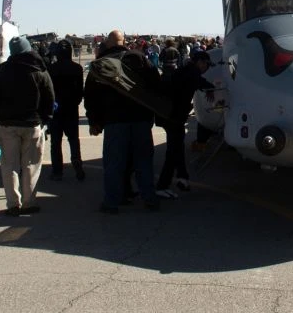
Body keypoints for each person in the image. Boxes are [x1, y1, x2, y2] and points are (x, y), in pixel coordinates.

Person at [84, 29, 170, 214]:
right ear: (123, 42)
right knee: (143, 161)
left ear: (108, 43)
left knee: (114, 163)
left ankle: (112, 202)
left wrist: (94, 121)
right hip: (141, 119)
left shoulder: (101, 64)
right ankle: (149, 199)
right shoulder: (139, 58)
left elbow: (90, 96)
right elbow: (157, 85)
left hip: (114, 121)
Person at [0, 35, 54, 216]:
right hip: (32, 123)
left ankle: (13, 203)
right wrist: (44, 119)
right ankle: (29, 202)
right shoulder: (38, 69)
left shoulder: (2, 71)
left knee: (9, 165)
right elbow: (49, 97)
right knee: (31, 164)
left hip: (7, 124)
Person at [156, 50, 214, 198]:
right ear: (200, 62)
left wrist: (207, 87)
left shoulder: (185, 70)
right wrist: (210, 88)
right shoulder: (191, 73)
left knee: (177, 148)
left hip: (170, 117)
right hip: (173, 118)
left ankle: (183, 178)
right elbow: (200, 82)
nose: (207, 68)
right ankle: (162, 186)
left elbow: (199, 82)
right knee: (173, 151)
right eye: (207, 65)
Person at [47, 39, 86, 182]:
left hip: (56, 109)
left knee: (55, 142)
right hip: (71, 108)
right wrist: (76, 101)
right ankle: (77, 162)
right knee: (73, 139)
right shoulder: (77, 68)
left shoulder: (51, 69)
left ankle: (57, 171)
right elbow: (80, 90)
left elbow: (48, 90)